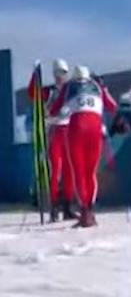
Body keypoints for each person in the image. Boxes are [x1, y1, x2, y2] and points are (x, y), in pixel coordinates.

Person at [57, 66, 117, 227]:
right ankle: (90, 210)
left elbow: (55, 108)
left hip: (77, 129)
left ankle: (84, 211)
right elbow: (112, 106)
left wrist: (52, 115)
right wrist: (103, 88)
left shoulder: (70, 85)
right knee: (90, 173)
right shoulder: (97, 86)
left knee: (79, 172)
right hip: (95, 130)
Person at [43, 58, 76, 222]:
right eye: (57, 73)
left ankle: (68, 207)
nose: (59, 76)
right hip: (55, 131)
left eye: (62, 73)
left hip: (68, 132)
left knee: (69, 171)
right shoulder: (48, 91)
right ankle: (54, 208)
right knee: (55, 170)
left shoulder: (70, 91)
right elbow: (35, 99)